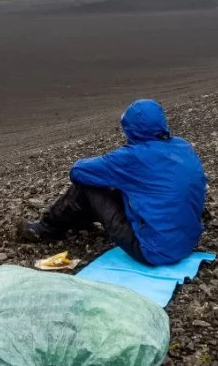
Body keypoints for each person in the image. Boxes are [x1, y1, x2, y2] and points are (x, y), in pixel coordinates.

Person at [18, 99, 207, 266]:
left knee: (87, 187)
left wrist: (114, 167)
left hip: (153, 250)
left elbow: (77, 172)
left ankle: (45, 229)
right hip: (187, 242)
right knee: (124, 186)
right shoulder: (183, 146)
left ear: (131, 129)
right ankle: (79, 221)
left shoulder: (132, 157)